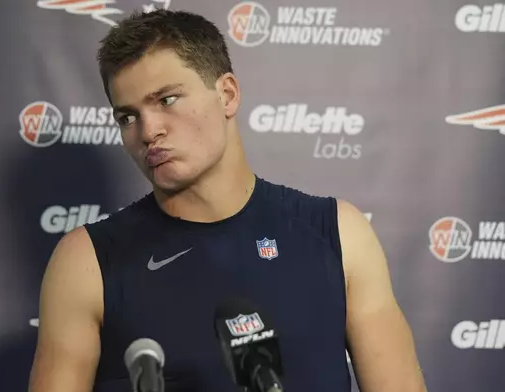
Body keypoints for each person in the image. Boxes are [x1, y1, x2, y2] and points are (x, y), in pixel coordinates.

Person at [27, 9, 427, 392]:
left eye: (166, 100)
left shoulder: (338, 233)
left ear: (228, 94)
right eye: (127, 117)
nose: (148, 131)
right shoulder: (86, 262)